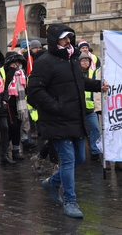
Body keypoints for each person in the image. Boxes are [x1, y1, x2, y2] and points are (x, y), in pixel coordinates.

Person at [28, 23, 108, 218]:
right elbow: (35, 91)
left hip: (76, 118)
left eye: (69, 37)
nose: (68, 40)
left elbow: (80, 82)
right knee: (69, 159)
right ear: (55, 40)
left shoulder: (72, 59)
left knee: (80, 157)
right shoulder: (44, 61)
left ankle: (52, 183)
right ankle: (70, 201)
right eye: (64, 38)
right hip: (56, 120)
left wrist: (99, 85)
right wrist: (56, 107)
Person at [3, 52, 29, 160]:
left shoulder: (22, 73)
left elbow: (25, 88)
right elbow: (5, 84)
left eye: (16, 63)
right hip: (9, 102)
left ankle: (16, 150)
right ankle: (4, 149)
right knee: (11, 126)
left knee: (18, 126)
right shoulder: (5, 72)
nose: (15, 65)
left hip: (19, 103)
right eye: (13, 63)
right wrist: (11, 71)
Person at [79, 52, 102, 161]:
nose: (85, 62)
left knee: (95, 129)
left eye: (87, 60)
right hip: (79, 109)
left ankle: (95, 152)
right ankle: (80, 153)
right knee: (80, 132)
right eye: (82, 60)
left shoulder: (93, 73)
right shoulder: (76, 74)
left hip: (91, 108)